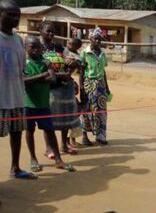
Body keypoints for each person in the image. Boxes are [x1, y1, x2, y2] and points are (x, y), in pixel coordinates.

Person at [23, 36, 75, 172]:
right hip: (28, 104)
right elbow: (23, 82)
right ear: (25, 47)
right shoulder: (23, 63)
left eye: (38, 47)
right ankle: (33, 159)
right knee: (29, 131)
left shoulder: (45, 62)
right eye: (32, 46)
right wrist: (42, 76)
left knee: (50, 131)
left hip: (43, 104)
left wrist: (34, 79)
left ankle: (58, 160)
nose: (35, 49)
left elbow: (52, 78)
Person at [0, 0, 37, 180]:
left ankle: (15, 168)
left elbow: (22, 70)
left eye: (18, 15)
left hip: (16, 97)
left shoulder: (19, 41)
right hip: (0, 99)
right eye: (10, 14)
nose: (15, 18)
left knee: (16, 133)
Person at [39, 21, 81, 156]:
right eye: (48, 31)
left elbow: (71, 59)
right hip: (48, 87)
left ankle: (64, 145)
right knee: (48, 120)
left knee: (65, 118)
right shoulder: (37, 48)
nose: (51, 34)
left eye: (53, 31)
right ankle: (49, 148)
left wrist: (72, 64)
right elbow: (39, 68)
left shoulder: (59, 47)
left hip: (63, 87)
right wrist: (59, 74)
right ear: (41, 31)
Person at [80, 27, 111, 145]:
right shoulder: (85, 52)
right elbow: (81, 71)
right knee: (87, 110)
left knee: (102, 111)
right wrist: (82, 88)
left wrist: (107, 88)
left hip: (101, 85)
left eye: (99, 39)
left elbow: (103, 72)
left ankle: (101, 135)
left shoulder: (103, 53)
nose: (98, 41)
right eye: (95, 39)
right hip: (89, 85)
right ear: (90, 39)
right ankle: (84, 136)